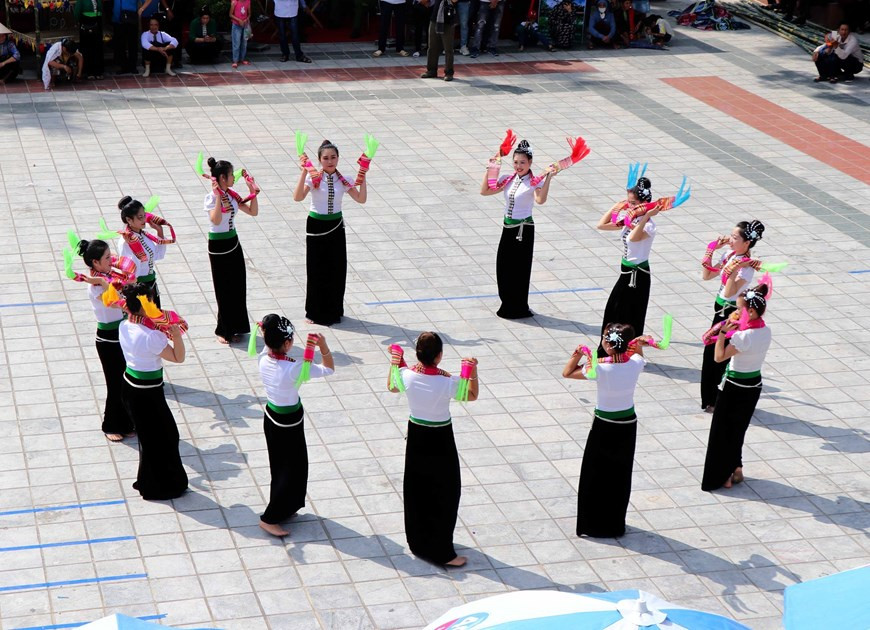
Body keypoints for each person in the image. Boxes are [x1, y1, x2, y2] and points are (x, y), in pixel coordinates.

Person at [387, 332, 479, 566]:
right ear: (439, 356)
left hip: (417, 436)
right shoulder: (447, 382)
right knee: (445, 492)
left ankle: (418, 541)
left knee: (417, 489)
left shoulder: (407, 375)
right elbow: (471, 395)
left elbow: (392, 386)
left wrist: (396, 361)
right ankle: (442, 551)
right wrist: (472, 371)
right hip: (440, 439)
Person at [563, 323, 647, 538]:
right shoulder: (636, 363)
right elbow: (636, 353)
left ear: (608, 344)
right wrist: (637, 344)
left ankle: (592, 524)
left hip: (604, 424)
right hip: (628, 423)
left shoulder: (598, 368)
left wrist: (577, 354)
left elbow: (567, 372)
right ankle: (615, 522)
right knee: (620, 475)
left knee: (595, 474)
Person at [255, 316, 334, 536]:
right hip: (288, 424)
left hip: (272, 417)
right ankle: (270, 517)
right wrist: (323, 347)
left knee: (283, 468)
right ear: (288, 343)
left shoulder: (263, 359)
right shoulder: (293, 368)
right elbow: (329, 369)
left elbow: (268, 344)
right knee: (290, 470)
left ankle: (287, 508)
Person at [118, 283, 188, 501]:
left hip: (130, 386)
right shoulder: (151, 336)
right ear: (142, 306)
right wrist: (176, 335)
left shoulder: (124, 325)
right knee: (165, 436)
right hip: (148, 393)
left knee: (150, 438)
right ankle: (158, 485)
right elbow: (178, 357)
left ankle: (153, 480)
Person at [701, 281, 772, 491]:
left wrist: (723, 334)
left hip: (734, 385)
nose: (735, 312)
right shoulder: (765, 331)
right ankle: (736, 467)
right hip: (754, 384)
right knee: (738, 430)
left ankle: (723, 476)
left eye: (739, 309)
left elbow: (719, 357)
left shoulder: (743, 337)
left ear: (750, 311)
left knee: (722, 433)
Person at [293, 139, 369, 326]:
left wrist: (363, 175)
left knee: (336, 269)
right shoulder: (313, 178)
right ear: (319, 160)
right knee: (316, 269)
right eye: (326, 158)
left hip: (335, 226)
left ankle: (334, 310)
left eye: (333, 157)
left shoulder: (344, 180)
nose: (330, 161)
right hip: (316, 226)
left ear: (338, 159)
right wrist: (304, 171)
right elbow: (298, 197)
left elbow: (361, 199)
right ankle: (314, 311)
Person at [68, 239, 137, 442]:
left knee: (126, 381)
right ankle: (111, 425)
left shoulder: (109, 277)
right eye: (107, 258)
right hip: (108, 339)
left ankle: (127, 423)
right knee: (114, 383)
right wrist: (106, 283)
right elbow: (117, 302)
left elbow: (130, 284)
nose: (111, 260)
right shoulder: (96, 287)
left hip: (123, 333)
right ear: (95, 263)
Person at [480, 139, 553, 319]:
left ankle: (518, 306)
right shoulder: (507, 178)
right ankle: (507, 302)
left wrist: (548, 178)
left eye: (522, 162)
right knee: (503, 266)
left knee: (519, 269)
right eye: (515, 161)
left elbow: (540, 200)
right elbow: (485, 191)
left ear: (530, 163)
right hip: (508, 227)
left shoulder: (534, 182)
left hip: (523, 229)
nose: (518, 165)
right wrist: (491, 167)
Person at [699, 220, 765, 412]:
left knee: (720, 358)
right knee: (709, 356)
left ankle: (718, 400)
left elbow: (729, 293)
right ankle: (709, 400)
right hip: (718, 311)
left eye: (735, 237)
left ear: (747, 243)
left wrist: (734, 268)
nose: (730, 239)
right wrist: (711, 249)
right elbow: (707, 275)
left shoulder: (747, 268)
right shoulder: (729, 254)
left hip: (731, 314)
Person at [203, 157, 259, 344]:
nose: (234, 178)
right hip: (218, 246)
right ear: (222, 178)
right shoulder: (211, 198)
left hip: (233, 243)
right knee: (223, 288)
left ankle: (238, 327)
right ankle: (224, 329)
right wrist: (218, 196)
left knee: (237, 285)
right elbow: (216, 220)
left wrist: (253, 193)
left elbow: (252, 212)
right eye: (230, 175)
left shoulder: (232, 195)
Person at [116, 195, 176, 308]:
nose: (144, 220)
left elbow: (158, 255)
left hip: (150, 285)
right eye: (140, 217)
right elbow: (130, 270)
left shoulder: (144, 236)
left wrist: (160, 231)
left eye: (144, 216)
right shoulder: (126, 241)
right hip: (139, 289)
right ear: (129, 220)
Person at [422, 0, 457, 80]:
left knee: (448, 48)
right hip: (435, 18)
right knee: (432, 47)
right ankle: (431, 70)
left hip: (448, 20)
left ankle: (449, 72)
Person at [74, 0, 104, 79]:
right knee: (87, 48)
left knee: (97, 48)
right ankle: (89, 72)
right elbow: (77, 12)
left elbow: (100, 9)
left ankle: (98, 72)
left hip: (97, 23)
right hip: (86, 23)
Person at [113, 0, 144, 74]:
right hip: (117, 19)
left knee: (132, 44)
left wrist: (141, 9)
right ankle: (123, 67)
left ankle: (133, 66)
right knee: (120, 45)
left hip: (131, 19)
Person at [230, 0, 251, 68]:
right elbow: (230, 14)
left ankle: (242, 59)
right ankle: (235, 60)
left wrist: (246, 19)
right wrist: (238, 20)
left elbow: (249, 14)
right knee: (237, 43)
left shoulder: (248, 1)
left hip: (245, 24)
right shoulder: (234, 2)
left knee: (244, 43)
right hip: (236, 25)